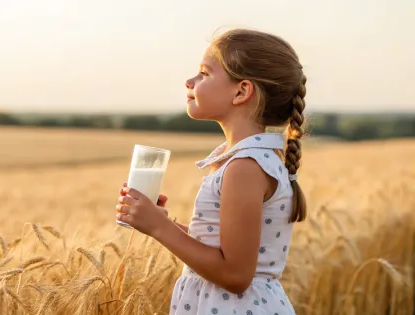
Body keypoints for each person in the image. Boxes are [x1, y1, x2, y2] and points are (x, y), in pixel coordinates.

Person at [115, 28, 308, 315]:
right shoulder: (245, 161)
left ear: (242, 91)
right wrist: (159, 221)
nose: (189, 81)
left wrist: (159, 227)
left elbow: (235, 275)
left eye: (204, 74)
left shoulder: (245, 167)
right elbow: (221, 250)